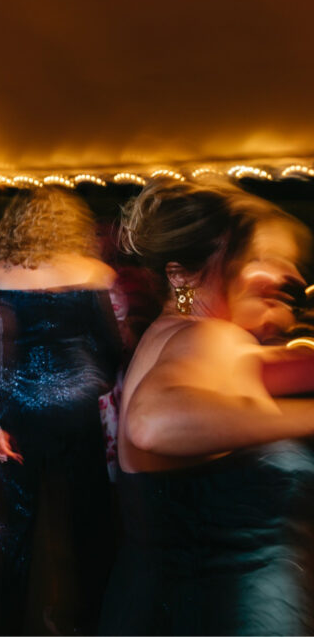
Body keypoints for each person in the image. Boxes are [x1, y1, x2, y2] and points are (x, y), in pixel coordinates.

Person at [100, 180, 314, 636]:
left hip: (152, 603)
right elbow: (152, 423)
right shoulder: (209, 338)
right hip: (222, 614)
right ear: (181, 276)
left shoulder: (174, 331)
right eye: (255, 258)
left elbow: (260, 370)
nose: (282, 274)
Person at [0, 187, 120, 635]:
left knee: (13, 524)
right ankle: (89, 619)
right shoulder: (95, 271)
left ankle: (8, 623)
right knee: (87, 518)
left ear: (14, 224)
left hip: (21, 408)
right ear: (72, 226)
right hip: (78, 406)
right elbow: (109, 347)